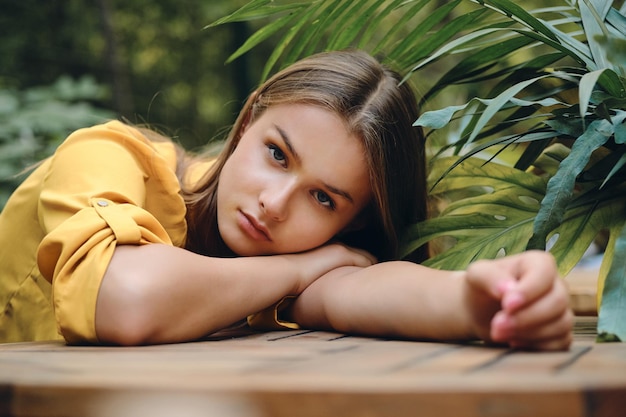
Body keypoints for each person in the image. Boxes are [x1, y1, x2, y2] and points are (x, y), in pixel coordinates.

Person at [0, 50, 573, 350]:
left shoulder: (307, 258)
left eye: (324, 198)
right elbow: (123, 300)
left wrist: (479, 302)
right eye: (277, 154)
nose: (275, 204)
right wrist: (300, 265)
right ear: (247, 122)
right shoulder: (108, 155)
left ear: (355, 222)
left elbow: (365, 286)